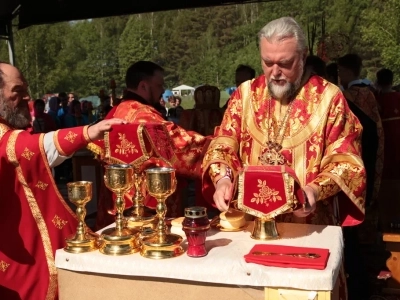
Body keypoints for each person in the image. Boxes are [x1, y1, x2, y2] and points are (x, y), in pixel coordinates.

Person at [201, 17, 366, 300]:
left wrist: (315, 189)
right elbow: (223, 143)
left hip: (307, 229)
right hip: (250, 228)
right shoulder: (244, 95)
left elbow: (346, 160)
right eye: (267, 62)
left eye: (284, 63)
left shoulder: (329, 98)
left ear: (301, 58)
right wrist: (222, 178)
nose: (274, 72)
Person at [0, 61, 125, 300]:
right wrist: (88, 132)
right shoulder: (6, 138)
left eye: (26, 89)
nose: (27, 97)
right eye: (17, 91)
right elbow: (35, 147)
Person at [89, 61, 211, 228]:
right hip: (147, 206)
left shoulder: (117, 111)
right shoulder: (144, 116)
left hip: (118, 202)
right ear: (143, 86)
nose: (162, 91)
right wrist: (219, 144)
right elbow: (181, 147)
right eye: (159, 85)